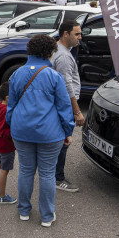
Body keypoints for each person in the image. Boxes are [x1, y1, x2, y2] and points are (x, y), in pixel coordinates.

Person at [6, 34, 74, 227]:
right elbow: (64, 108)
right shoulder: (54, 76)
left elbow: (11, 105)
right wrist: (67, 131)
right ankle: (46, 216)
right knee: (47, 173)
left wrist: (12, 125)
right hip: (50, 133)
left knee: (26, 171)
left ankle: (24, 211)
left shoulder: (18, 73)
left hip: (22, 130)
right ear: (49, 52)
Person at [51, 20, 84, 193]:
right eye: (76, 34)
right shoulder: (63, 56)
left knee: (58, 140)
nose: (80, 37)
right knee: (64, 141)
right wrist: (77, 111)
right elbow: (66, 85)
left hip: (59, 105)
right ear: (66, 34)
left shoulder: (60, 49)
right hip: (64, 106)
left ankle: (51, 173)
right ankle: (57, 178)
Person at [0, 81, 17, 205]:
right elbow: (3, 131)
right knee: (5, 170)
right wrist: (15, 133)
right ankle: (2, 196)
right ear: (8, 97)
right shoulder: (6, 111)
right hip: (6, 145)